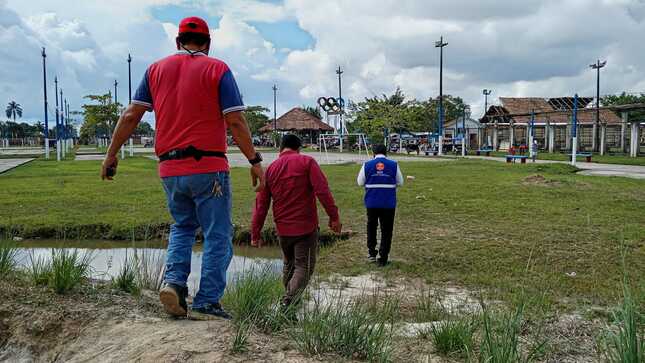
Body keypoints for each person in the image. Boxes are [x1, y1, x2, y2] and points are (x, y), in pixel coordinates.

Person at [101, 16, 265, 321]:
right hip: (209, 167)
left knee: (182, 226)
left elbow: (130, 115)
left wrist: (111, 155)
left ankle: (174, 283)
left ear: (177, 42)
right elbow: (235, 121)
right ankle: (208, 301)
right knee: (217, 233)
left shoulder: (155, 70)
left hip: (170, 169)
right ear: (208, 44)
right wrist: (255, 161)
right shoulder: (218, 69)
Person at [251, 134, 341, 310]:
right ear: (298, 148)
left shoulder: (271, 169)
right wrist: (334, 216)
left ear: (281, 149)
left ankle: (289, 305)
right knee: (304, 267)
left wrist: (255, 233)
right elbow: (322, 191)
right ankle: (288, 301)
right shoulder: (307, 162)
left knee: (289, 265)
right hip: (305, 228)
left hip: (283, 229)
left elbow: (261, 205)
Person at [357, 144, 403, 266]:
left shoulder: (367, 165)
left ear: (373, 152)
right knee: (386, 230)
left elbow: (360, 182)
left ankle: (372, 253)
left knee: (371, 227)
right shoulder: (394, 164)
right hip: (388, 203)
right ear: (386, 152)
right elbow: (400, 182)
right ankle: (383, 258)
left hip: (372, 202)